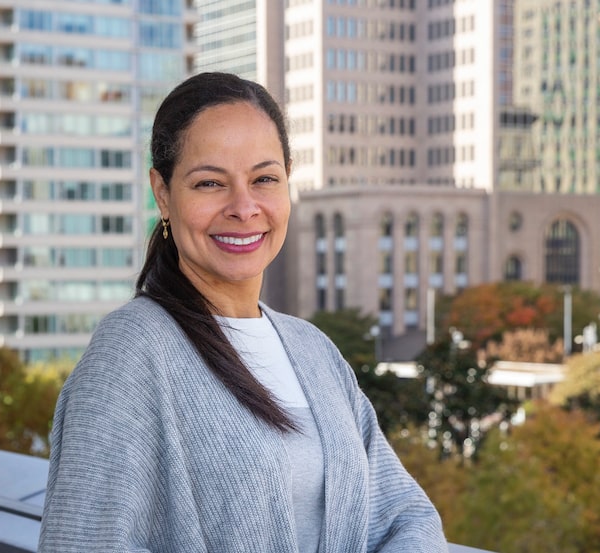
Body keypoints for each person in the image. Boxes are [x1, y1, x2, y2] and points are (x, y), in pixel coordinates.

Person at [39, 72, 447, 552]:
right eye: (210, 183)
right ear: (163, 194)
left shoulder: (313, 350)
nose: (244, 206)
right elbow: (80, 543)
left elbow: (408, 516)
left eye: (264, 179)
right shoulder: (130, 354)